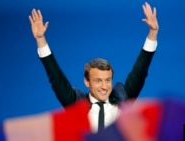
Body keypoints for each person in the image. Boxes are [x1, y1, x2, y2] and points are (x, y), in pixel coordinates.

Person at [28, 2, 159, 132]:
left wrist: (152, 33)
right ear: (87, 82)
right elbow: (55, 77)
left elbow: (140, 72)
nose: (104, 86)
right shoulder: (76, 103)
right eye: (98, 81)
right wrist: (40, 40)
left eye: (107, 80)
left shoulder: (122, 97)